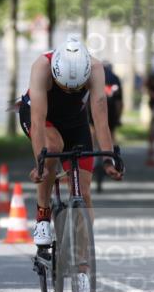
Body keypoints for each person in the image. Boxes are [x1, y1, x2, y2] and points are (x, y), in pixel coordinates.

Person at [18, 35, 124, 247]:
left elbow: (101, 121)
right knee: (54, 146)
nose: (70, 93)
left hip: (75, 122)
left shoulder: (95, 69)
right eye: (64, 87)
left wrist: (108, 160)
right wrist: (40, 164)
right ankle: (42, 215)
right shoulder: (42, 66)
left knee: (84, 193)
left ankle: (83, 266)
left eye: (75, 89)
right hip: (42, 117)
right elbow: (38, 122)